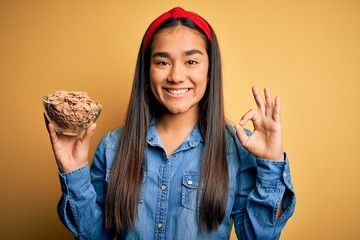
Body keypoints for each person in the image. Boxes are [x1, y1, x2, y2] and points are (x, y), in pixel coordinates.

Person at [46, 7, 296, 240]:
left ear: (210, 70)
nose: (176, 76)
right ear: (148, 70)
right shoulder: (112, 147)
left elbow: (257, 236)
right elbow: (94, 236)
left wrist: (271, 166)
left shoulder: (237, 149)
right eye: (162, 62)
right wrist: (73, 171)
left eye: (191, 62)